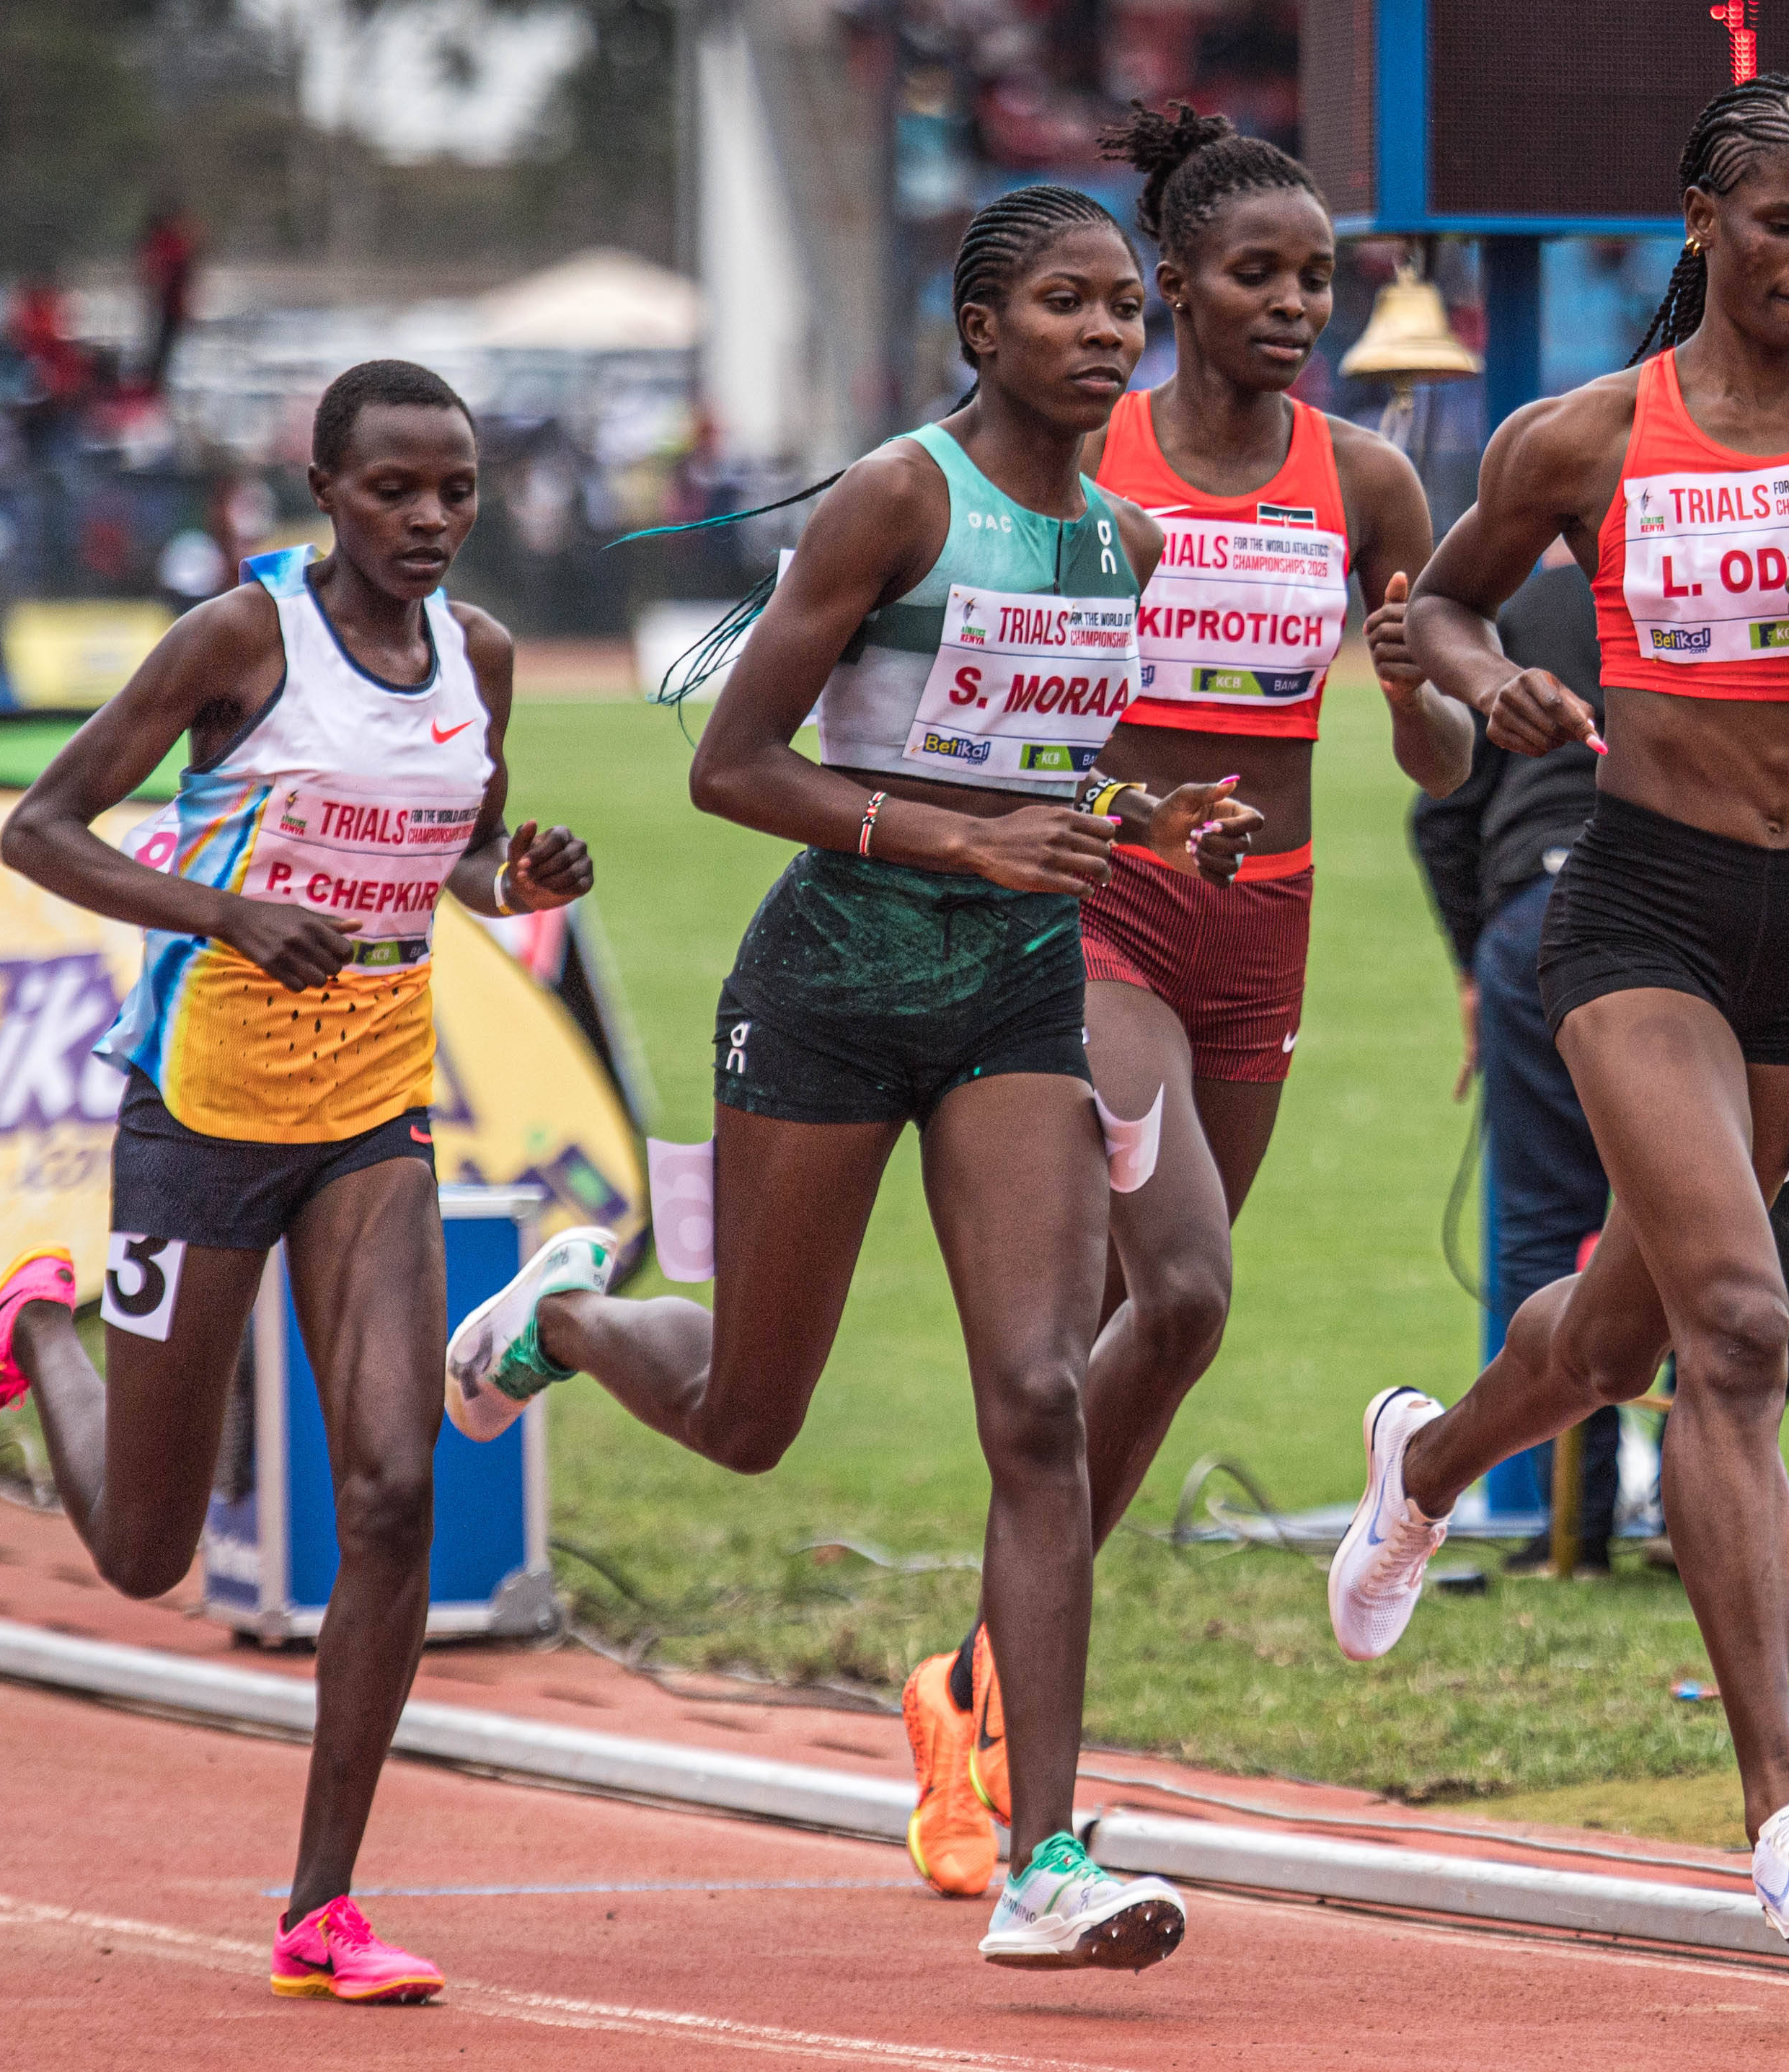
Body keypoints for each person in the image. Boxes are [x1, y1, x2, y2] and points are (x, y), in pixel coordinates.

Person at [438, 185, 1255, 1969]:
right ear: (981, 329)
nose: (1110, 333)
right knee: (748, 1412)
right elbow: (734, 766)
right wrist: (957, 849)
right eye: (1066, 302)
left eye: (1126, 304)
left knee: (1038, 1401)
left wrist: (1141, 820)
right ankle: (565, 1316)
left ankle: (1042, 1849)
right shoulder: (901, 494)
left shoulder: (1123, 538)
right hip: (827, 984)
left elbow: (1030, 762)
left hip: (1015, 998)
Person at [1331, 74, 1789, 1947]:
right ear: (1701, 224)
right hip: (1635, 907)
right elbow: (1448, 613)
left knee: (1626, 1335)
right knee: (1736, 1321)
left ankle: (1422, 1466)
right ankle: (1785, 1805)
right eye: (1783, 224)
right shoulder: (1582, 439)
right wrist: (1498, 693)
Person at [0, 359, 591, 2005]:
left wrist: (524, 876)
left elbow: (463, 843)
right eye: (393, 492)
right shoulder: (239, 641)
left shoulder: (478, 659)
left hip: (373, 1108)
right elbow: (41, 829)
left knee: (391, 1490)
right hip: (203, 1107)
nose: (429, 521)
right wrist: (227, 915)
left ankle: (321, 1905)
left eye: (455, 493)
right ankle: (39, 1332)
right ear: (323, 493)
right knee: (148, 1547)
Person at [895, 105, 1472, 1877]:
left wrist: (1409, 690)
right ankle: (1015, 1727)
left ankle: (976, 1682)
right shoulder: (1093, 453)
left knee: (1179, 1323)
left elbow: (1445, 767)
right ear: (1174, 286)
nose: (1295, 301)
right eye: (1256, 273)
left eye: (1315, 273)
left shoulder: (1368, 481)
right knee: (1181, 1273)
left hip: (1267, 928)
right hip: (1107, 912)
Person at [1410, 548, 1614, 1573]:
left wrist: (1473, 970)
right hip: (1686, 910)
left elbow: (1440, 811)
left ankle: (1572, 1528)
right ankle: (1708, 1494)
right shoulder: (1707, 583)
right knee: (1682, 1223)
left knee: (1545, 1226)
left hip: (1534, 916)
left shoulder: (1520, 604)